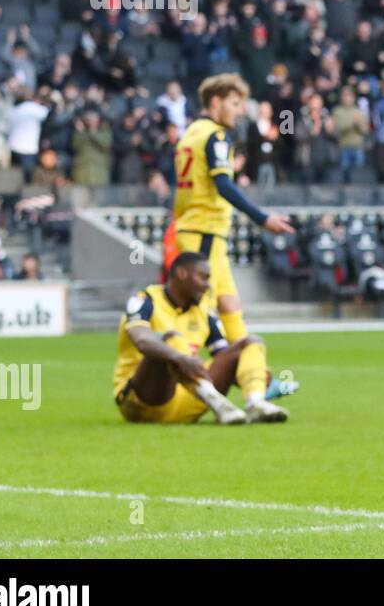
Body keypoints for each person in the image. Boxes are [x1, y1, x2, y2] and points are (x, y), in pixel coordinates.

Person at [168, 74, 295, 347]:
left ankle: (252, 370)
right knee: (201, 307)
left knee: (229, 302)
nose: (240, 111)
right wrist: (262, 218)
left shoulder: (190, 133)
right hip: (204, 228)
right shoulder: (216, 135)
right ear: (216, 102)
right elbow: (223, 185)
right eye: (235, 103)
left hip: (197, 228)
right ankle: (183, 369)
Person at [112, 252, 288, 424]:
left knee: (251, 343)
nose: (208, 285)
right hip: (143, 399)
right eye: (203, 277)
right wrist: (180, 358)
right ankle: (217, 402)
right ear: (182, 273)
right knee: (172, 340)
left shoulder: (203, 312)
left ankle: (256, 403)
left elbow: (226, 358)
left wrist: (254, 373)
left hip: (188, 401)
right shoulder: (146, 300)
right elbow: (141, 340)